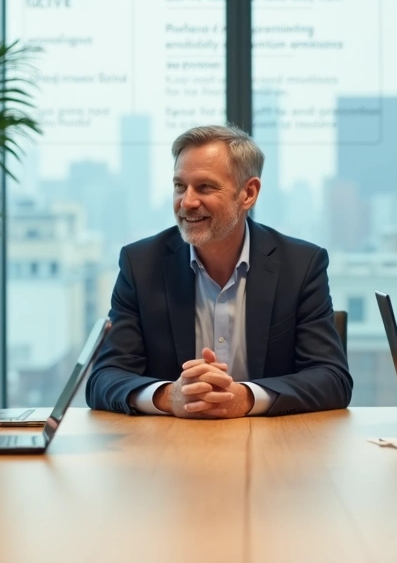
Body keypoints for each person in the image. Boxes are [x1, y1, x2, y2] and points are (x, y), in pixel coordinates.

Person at [86, 125, 352, 418]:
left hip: (272, 440)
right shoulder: (140, 264)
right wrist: (169, 396)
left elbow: (332, 379)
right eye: (179, 186)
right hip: (169, 440)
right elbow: (104, 378)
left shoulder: (301, 265)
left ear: (248, 193)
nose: (187, 202)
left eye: (204, 187)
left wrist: (246, 398)